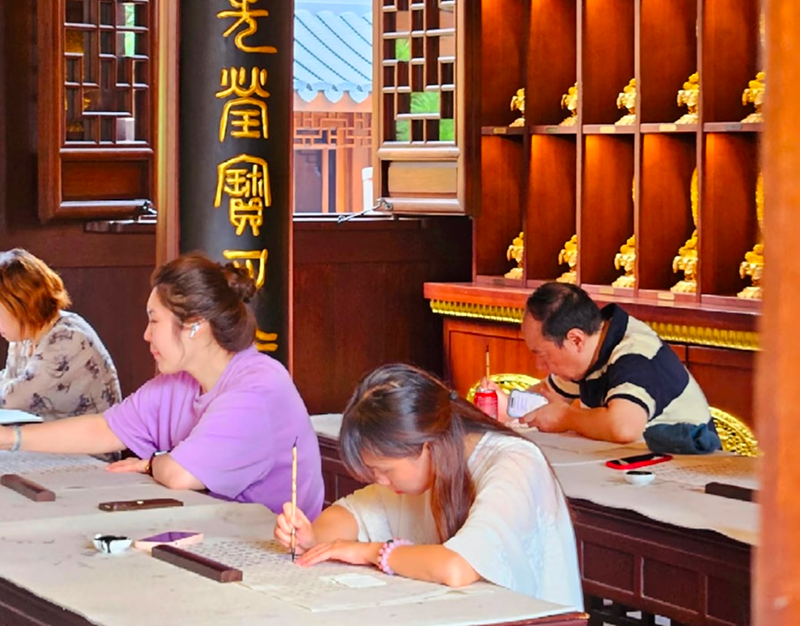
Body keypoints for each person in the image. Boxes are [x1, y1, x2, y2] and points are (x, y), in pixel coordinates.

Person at [0, 252, 325, 517]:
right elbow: (105, 429)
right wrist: (8, 439)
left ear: (195, 325)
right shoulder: (180, 381)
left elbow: (180, 474)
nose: (146, 334)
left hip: (271, 549)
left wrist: (154, 462)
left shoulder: (257, 388)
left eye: (154, 320)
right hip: (206, 526)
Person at [273, 363, 582, 607]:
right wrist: (312, 538)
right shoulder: (424, 470)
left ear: (425, 445)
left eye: (384, 470)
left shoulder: (514, 463)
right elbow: (352, 514)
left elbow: (457, 567)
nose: (381, 481)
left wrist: (372, 553)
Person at [493, 282, 720, 454]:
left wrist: (566, 417)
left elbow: (623, 427)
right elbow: (548, 397)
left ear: (576, 340)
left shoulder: (635, 353)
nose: (539, 366)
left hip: (687, 470)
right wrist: (507, 406)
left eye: (542, 354)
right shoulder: (589, 352)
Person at [0, 248, 121, 419]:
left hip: (86, 442)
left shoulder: (67, 339)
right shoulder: (24, 335)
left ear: (20, 305)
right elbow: (7, 380)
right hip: (48, 438)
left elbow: (12, 400)